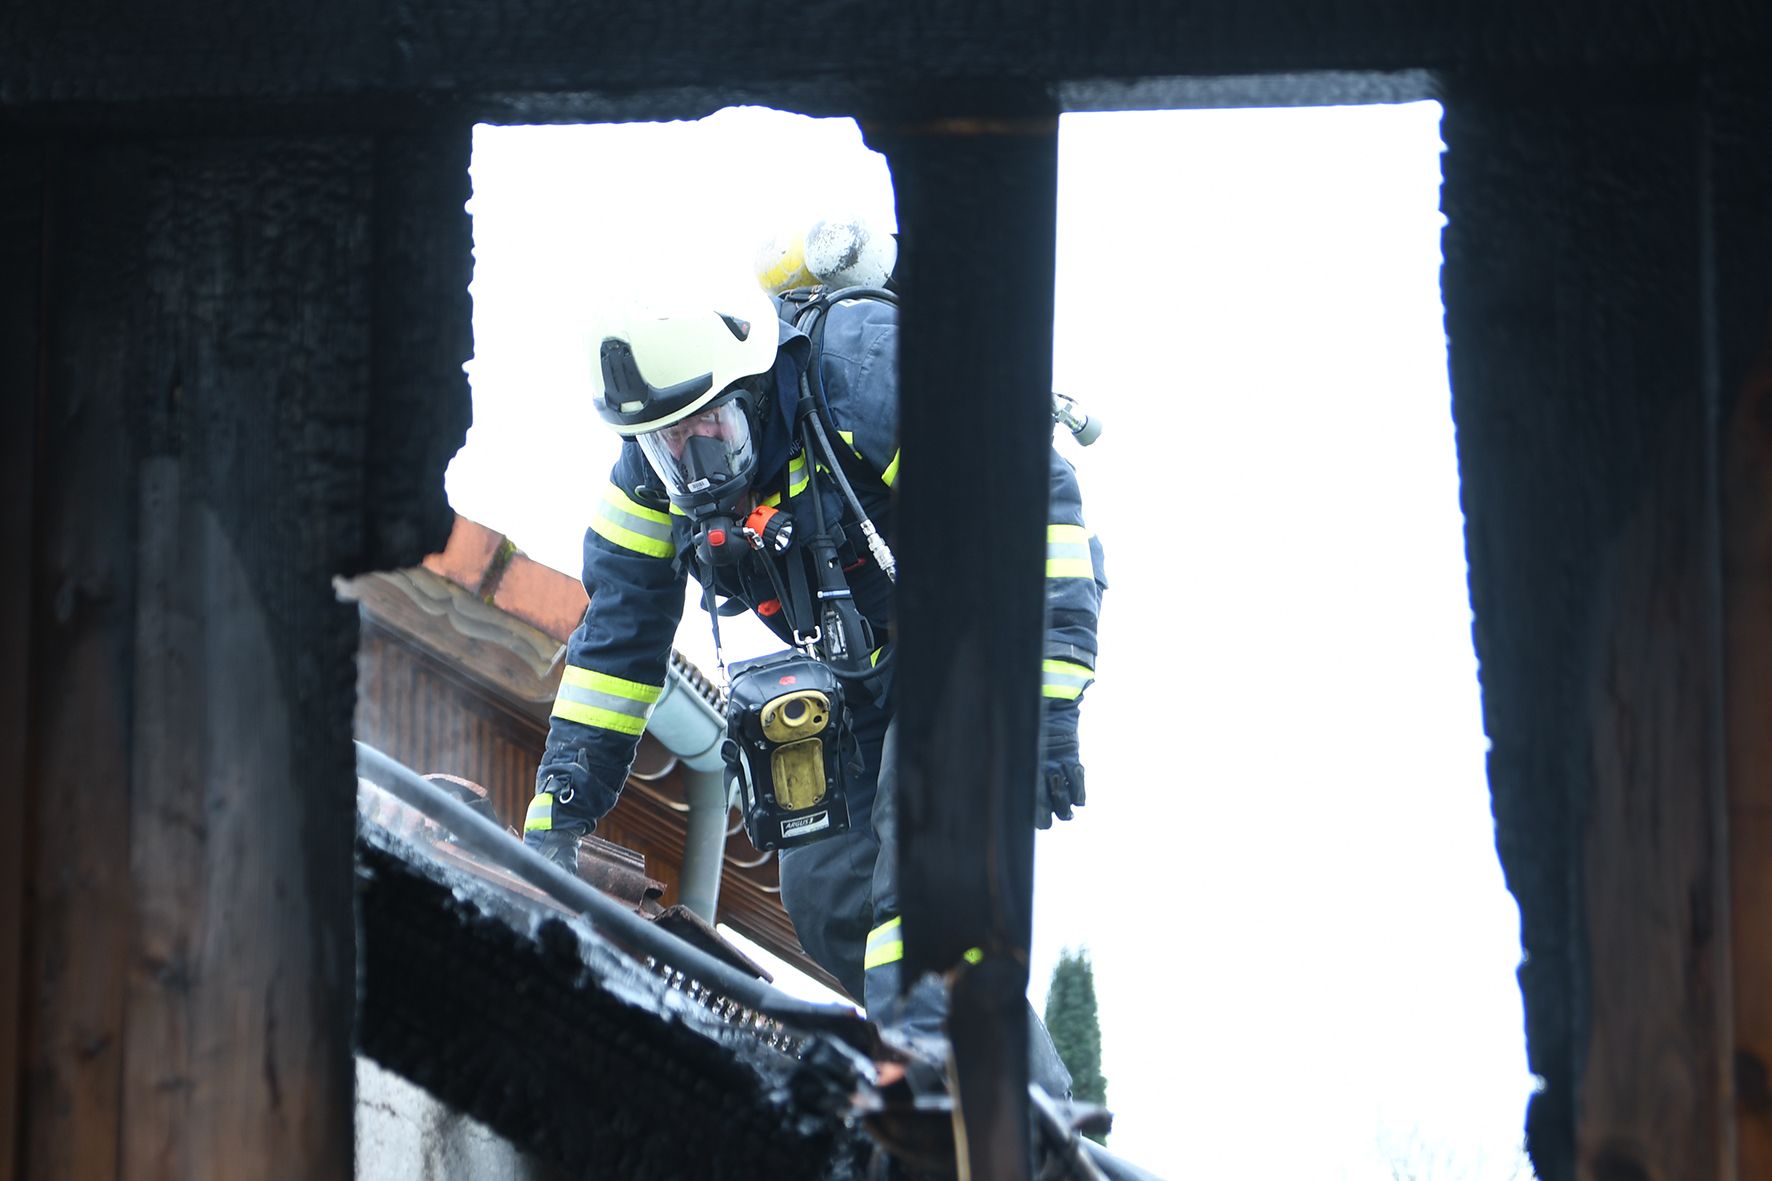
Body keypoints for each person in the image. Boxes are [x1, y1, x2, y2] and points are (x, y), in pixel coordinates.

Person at [523, 281, 1105, 1085]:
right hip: (865, 663)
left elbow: (1037, 508)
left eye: (711, 436)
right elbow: (614, 646)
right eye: (670, 448)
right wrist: (559, 807)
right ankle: (1023, 1099)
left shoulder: (865, 377)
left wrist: (1049, 706)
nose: (695, 470)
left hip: (979, 639)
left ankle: (963, 1119)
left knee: (921, 880)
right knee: (824, 885)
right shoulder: (654, 473)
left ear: (757, 388)